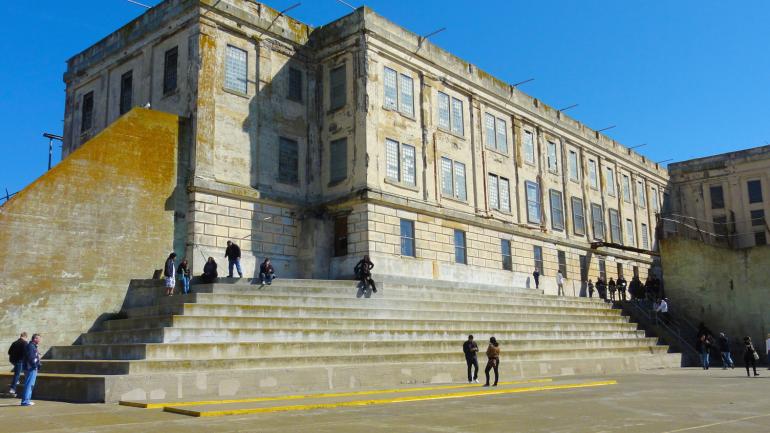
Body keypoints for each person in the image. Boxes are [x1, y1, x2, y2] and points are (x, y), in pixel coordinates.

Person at [20, 334, 41, 406]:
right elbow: (31, 358)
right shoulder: (31, 346)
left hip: (31, 368)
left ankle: (27, 400)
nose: (40, 340)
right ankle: (25, 401)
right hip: (30, 368)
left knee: (30, 385)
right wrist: (35, 366)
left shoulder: (32, 346)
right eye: (38, 339)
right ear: (35, 339)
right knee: (29, 385)